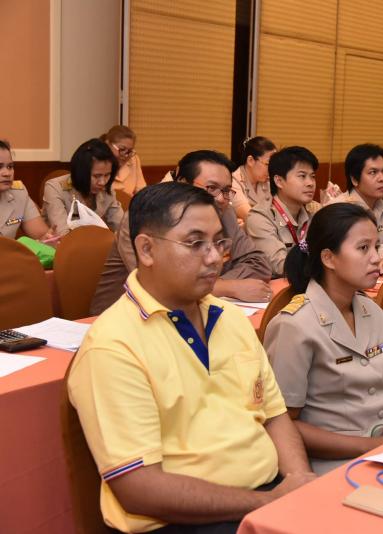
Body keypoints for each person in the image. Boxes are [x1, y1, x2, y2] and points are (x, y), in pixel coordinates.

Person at [68, 182, 315, 533]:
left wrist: (299, 483)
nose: (214, 258)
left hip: (266, 496)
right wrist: (266, 503)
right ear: (147, 249)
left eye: (218, 242)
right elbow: (139, 489)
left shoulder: (230, 318)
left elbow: (275, 416)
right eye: (195, 243)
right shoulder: (113, 346)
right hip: (182, 521)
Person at [265, 203, 383, 474]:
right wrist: (369, 447)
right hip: (335, 461)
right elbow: (283, 422)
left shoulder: (373, 312)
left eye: (376, 247)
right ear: (328, 258)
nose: (376, 258)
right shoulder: (294, 325)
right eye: (363, 248)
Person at [90, 150, 272, 315]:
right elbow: (155, 287)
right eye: (211, 188)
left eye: (225, 191)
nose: (220, 198)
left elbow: (258, 263)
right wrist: (226, 287)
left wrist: (212, 285)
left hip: (190, 310)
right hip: (123, 316)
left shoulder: (225, 213)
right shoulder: (144, 215)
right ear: (183, 183)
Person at [246, 146, 321, 277]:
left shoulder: (315, 212)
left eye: (312, 176)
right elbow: (281, 266)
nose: (310, 183)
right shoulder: (260, 217)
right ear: (279, 181)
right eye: (302, 176)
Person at [328, 143, 383, 273]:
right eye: (373, 172)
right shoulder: (337, 210)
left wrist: (379, 256)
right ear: (354, 179)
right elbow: (339, 256)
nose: (382, 178)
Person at [42, 138, 123, 236]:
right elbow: (62, 234)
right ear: (81, 172)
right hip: (60, 244)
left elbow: (122, 228)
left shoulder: (107, 189)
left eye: (107, 175)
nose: (103, 182)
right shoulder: (55, 188)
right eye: (97, 176)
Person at [0, 140, 55, 241]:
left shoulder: (18, 194)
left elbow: (41, 235)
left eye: (10, 167)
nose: (7, 173)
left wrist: (47, 239)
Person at [231, 136, 277, 220]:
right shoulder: (233, 182)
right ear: (250, 161)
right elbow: (252, 217)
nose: (272, 169)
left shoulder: (268, 180)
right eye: (268, 164)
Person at [102, 125, 146, 197]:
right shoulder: (97, 162)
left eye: (129, 151)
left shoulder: (133, 159)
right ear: (108, 144)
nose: (126, 155)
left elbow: (142, 192)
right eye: (122, 149)